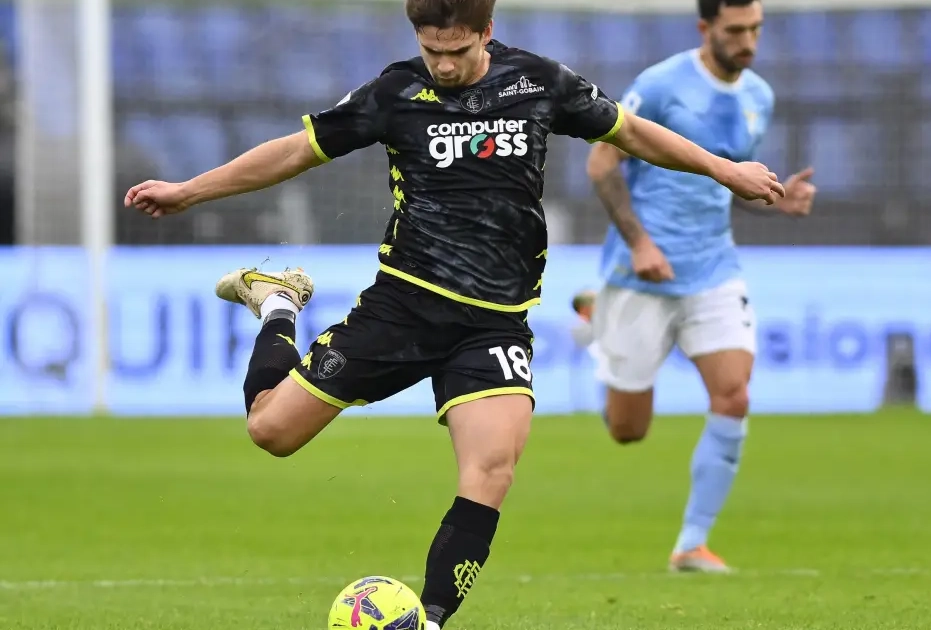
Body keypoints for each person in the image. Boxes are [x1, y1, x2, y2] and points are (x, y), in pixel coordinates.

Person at [123, 0, 786, 626]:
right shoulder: (396, 93)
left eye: (457, 50)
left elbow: (630, 132)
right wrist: (190, 191)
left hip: (495, 322)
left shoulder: (539, 83)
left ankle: (432, 619)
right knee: (271, 431)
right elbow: (298, 149)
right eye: (430, 49)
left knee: (491, 471)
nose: (442, 64)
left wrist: (723, 171)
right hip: (404, 307)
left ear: (486, 30)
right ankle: (276, 302)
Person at [570, 0, 817, 574]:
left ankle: (691, 543)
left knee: (734, 396)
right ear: (706, 28)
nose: (748, 41)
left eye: (756, 29)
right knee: (628, 430)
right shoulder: (660, 85)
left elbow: (728, 181)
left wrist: (776, 201)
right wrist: (640, 244)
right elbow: (601, 165)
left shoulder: (759, 96)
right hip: (642, 272)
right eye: (736, 30)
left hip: (714, 270)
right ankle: (600, 321)